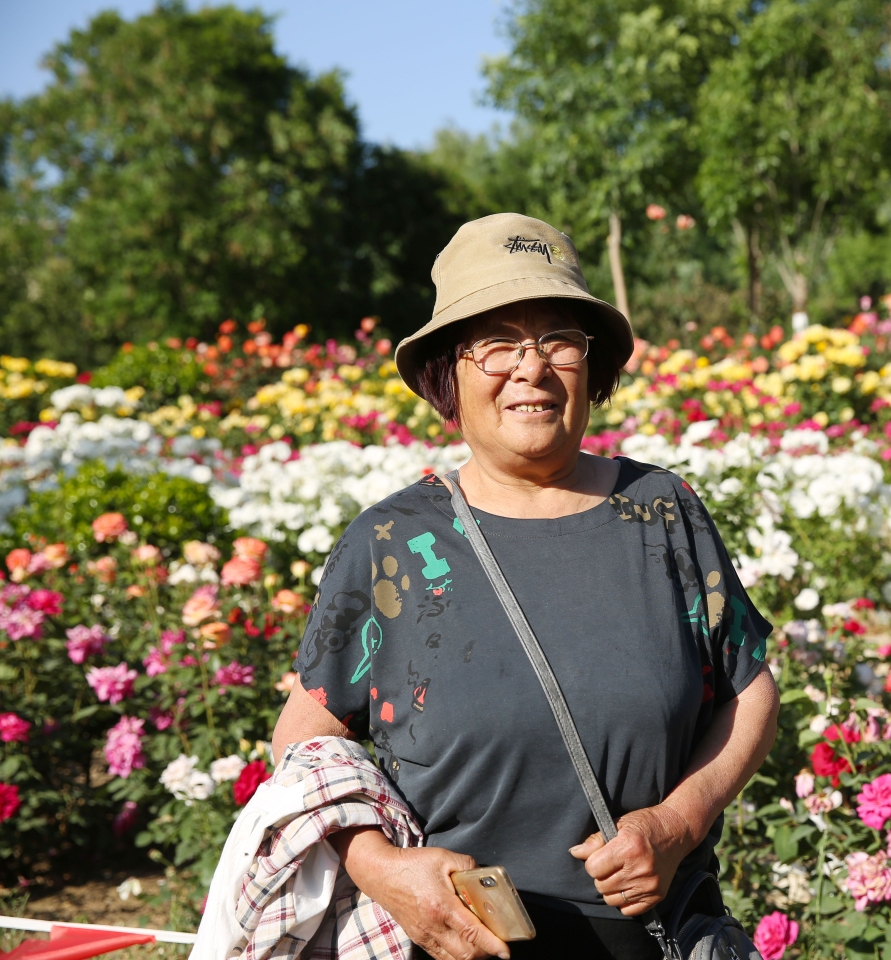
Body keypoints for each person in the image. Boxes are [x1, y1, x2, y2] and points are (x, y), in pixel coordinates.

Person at [270, 213, 780, 960]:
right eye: (497, 343)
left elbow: (749, 687)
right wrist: (384, 872)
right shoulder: (393, 545)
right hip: (462, 943)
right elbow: (302, 745)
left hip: (653, 939)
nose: (531, 368)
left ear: (590, 362)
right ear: (449, 369)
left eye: (558, 341)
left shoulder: (661, 513)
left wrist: (679, 822)